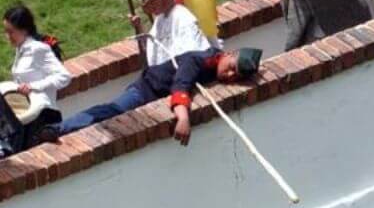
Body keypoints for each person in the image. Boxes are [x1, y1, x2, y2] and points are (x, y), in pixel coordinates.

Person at [42, 48, 261, 148]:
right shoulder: (198, 60)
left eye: (235, 76)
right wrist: (183, 118)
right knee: (112, 111)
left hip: (154, 94)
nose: (229, 75)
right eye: (231, 68)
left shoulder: (214, 67)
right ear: (229, 54)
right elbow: (180, 85)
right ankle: (58, 129)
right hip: (145, 90)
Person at [0, 5, 69, 158]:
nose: (7, 36)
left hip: (43, 116)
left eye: (10, 31)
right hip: (29, 115)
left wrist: (33, 86)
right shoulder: (21, 49)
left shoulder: (38, 49)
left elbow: (64, 77)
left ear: (24, 30)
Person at [128, 0, 216, 68]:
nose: (147, 3)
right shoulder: (160, 18)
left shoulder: (183, 17)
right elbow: (153, 46)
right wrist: (138, 27)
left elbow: (189, 56)